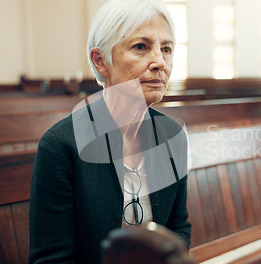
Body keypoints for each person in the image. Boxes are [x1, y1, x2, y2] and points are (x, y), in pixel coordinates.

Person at [28, 0, 191, 263]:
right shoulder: (60, 145)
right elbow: (52, 259)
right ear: (101, 61)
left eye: (167, 49)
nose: (160, 62)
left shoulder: (172, 135)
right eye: (141, 47)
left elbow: (178, 227)